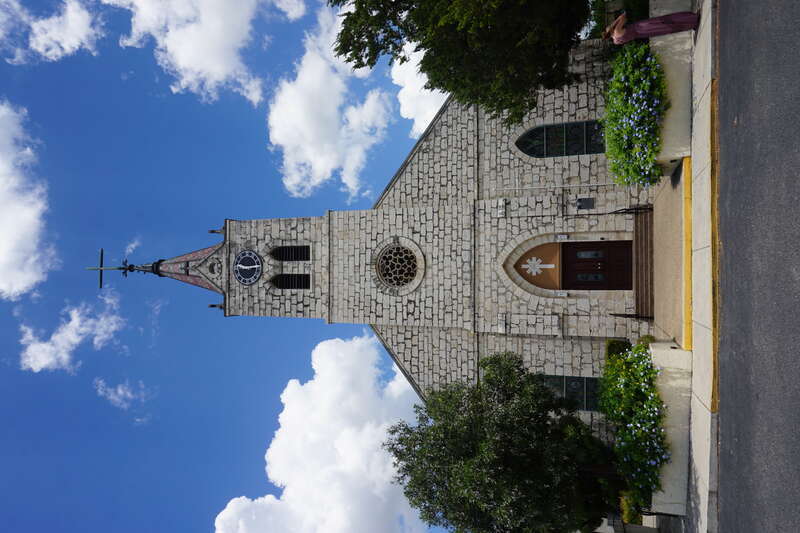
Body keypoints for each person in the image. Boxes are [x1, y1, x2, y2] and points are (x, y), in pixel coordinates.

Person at [602, 11, 700, 45]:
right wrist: (613, 24)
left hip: (642, 34)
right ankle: (693, 18)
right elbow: (623, 17)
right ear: (609, 30)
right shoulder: (616, 30)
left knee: (667, 29)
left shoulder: (616, 41)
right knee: (666, 21)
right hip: (642, 27)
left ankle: (691, 24)